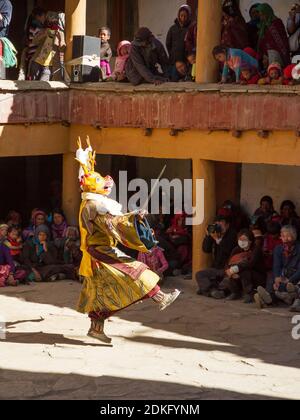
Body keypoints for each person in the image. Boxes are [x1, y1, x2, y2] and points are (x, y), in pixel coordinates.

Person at [76, 137, 180, 344]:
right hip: (100, 249)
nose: (107, 186)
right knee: (136, 268)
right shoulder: (93, 206)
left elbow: (112, 221)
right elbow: (113, 223)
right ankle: (159, 297)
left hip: (96, 249)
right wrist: (134, 217)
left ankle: (96, 328)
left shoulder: (90, 203)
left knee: (103, 290)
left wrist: (133, 215)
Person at [255, 225, 300, 308]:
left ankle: (269, 299)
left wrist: (289, 280)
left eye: (288, 236)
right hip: (284, 274)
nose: (285, 239)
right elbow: (276, 265)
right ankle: (268, 298)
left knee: (292, 286)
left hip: (295, 276)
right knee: (271, 278)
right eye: (283, 236)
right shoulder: (278, 249)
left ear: (294, 237)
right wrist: (277, 277)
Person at [219, 229, 266, 303]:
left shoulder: (256, 250)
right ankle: (235, 292)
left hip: (257, 276)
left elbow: (250, 264)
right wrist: (230, 270)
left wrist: (235, 269)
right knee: (230, 272)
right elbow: (229, 262)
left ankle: (249, 294)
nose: (242, 241)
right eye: (240, 239)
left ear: (250, 241)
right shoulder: (236, 249)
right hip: (239, 275)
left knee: (244, 271)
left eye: (244, 239)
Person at [196, 215, 237, 297]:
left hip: (227, 269)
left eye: (221, 225)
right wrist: (208, 236)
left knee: (227, 281)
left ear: (227, 225)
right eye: (217, 225)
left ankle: (209, 290)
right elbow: (206, 249)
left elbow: (227, 250)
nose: (218, 227)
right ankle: (212, 290)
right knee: (199, 274)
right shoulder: (215, 234)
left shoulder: (232, 234)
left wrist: (218, 240)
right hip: (216, 269)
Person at [28, 11, 66, 81]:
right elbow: (34, 41)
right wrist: (44, 34)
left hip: (48, 65)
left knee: (43, 84)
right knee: (32, 84)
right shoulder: (44, 30)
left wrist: (60, 38)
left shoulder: (61, 33)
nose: (52, 24)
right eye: (50, 22)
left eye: (55, 22)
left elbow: (62, 48)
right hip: (36, 62)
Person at [256, 3, 290, 68]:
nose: (261, 17)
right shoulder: (263, 25)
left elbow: (281, 40)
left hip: (277, 52)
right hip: (268, 53)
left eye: (262, 15)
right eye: (260, 15)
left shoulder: (277, 23)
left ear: (267, 12)